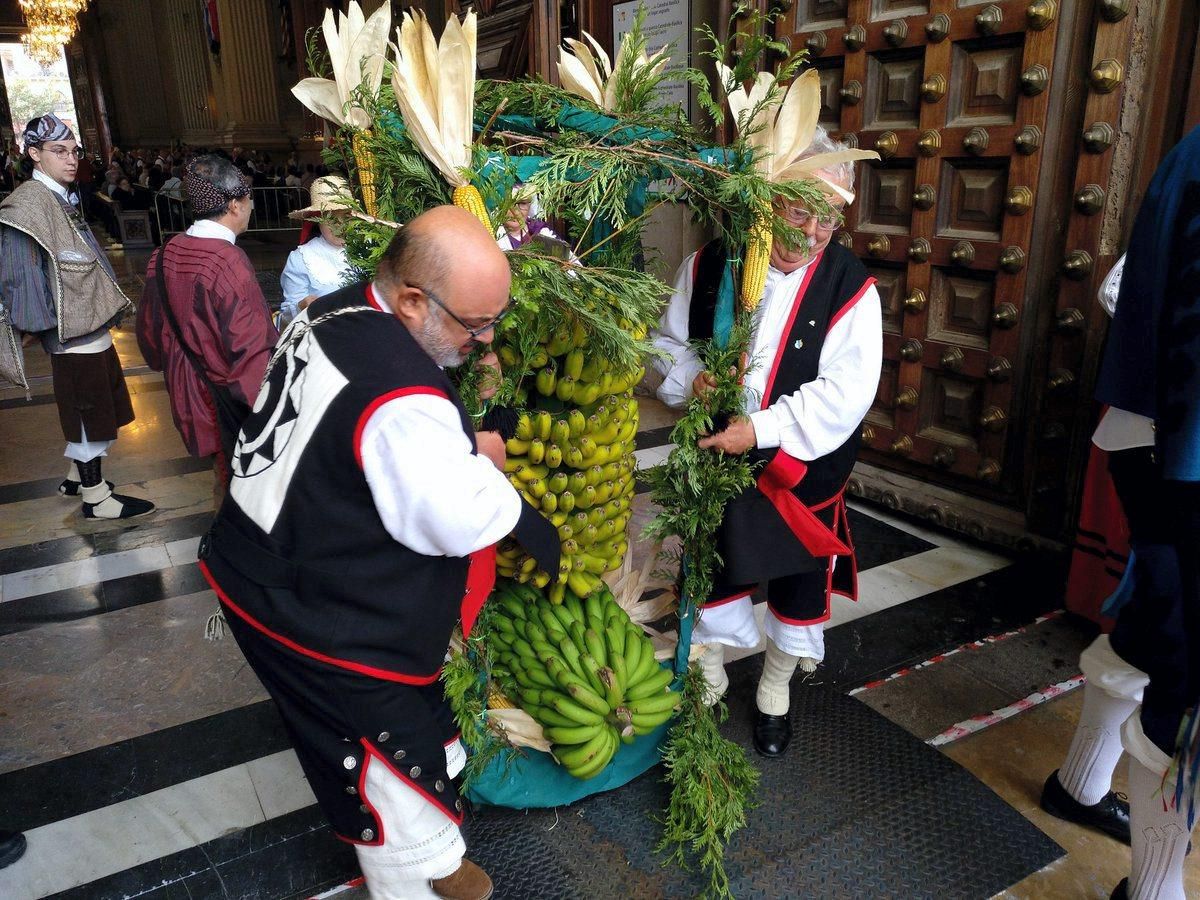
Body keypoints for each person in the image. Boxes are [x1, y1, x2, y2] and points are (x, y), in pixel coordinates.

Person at [198, 205, 559, 900]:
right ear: (414, 299)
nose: (486, 342)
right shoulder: (402, 396)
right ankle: (416, 875)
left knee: (399, 730)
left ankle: (435, 855)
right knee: (376, 754)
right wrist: (485, 461)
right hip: (312, 609)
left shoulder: (330, 308)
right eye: (476, 324)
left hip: (260, 555)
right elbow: (457, 520)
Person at [651, 128, 882, 758]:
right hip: (714, 463)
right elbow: (664, 347)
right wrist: (688, 378)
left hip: (797, 468)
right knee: (712, 567)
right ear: (764, 199)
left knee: (797, 582)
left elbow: (847, 390)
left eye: (828, 217)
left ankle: (775, 690)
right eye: (799, 209)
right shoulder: (706, 265)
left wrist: (764, 429)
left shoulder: (851, 284)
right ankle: (710, 673)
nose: (811, 231)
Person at [1040, 126, 1200, 900]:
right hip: (1181, 451)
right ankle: (1155, 891)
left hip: (1160, 440)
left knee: (1155, 628)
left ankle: (1080, 782)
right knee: (1184, 672)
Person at [0, 114, 154, 518]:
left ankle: (75, 476)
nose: (71, 160)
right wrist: (43, 327)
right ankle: (95, 497)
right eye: (59, 152)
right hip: (72, 332)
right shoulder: (27, 204)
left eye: (74, 152)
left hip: (86, 322)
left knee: (104, 404)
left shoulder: (55, 195)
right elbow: (20, 273)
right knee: (89, 412)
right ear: (34, 154)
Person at [136, 154, 278, 507]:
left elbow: (150, 331)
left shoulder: (165, 252)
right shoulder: (228, 261)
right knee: (242, 482)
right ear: (233, 204)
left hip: (190, 388)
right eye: (248, 199)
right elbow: (252, 347)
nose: (251, 206)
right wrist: (268, 411)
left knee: (222, 471)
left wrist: (169, 365)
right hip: (227, 393)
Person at [279, 175, 356, 324]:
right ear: (317, 220)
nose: (340, 225)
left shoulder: (370, 246)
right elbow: (287, 318)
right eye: (330, 218)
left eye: (346, 217)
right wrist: (302, 306)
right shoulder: (302, 258)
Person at [496, 184, 560, 251]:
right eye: (510, 203)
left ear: (530, 206)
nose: (516, 212)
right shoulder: (492, 236)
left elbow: (568, 258)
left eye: (523, 203)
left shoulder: (541, 232)